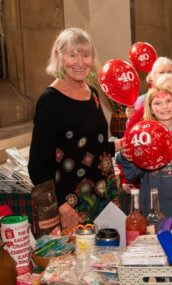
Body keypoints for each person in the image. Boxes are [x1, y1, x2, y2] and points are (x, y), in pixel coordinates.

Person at [28, 28, 123, 229]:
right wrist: (62, 207)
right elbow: (37, 165)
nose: (80, 62)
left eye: (85, 55)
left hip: (104, 201)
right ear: (58, 56)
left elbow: (91, 148)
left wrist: (120, 146)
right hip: (72, 210)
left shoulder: (94, 94)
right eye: (72, 55)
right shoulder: (50, 101)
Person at [116, 86, 172, 231]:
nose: (164, 106)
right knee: (154, 249)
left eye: (168, 101)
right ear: (151, 109)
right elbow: (132, 174)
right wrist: (125, 156)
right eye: (158, 103)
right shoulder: (142, 135)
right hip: (153, 207)